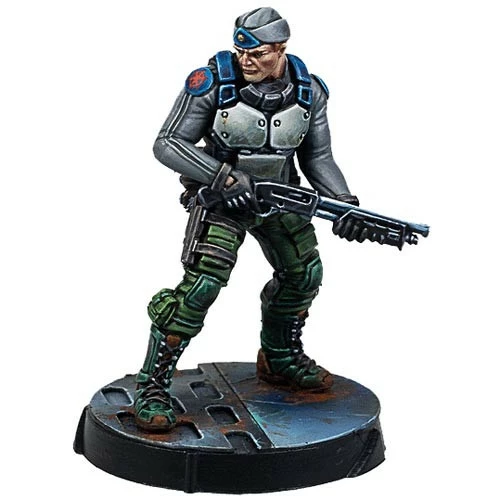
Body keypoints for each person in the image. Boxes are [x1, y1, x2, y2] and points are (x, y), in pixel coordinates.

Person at [134, 7, 360, 431]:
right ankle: (153, 384)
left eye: (257, 53)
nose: (246, 60)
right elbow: (168, 143)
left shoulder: (309, 90)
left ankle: (280, 358)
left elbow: (318, 157)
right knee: (199, 289)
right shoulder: (211, 84)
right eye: (241, 52)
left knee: (303, 276)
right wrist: (221, 176)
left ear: (280, 49)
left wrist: (344, 203)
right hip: (223, 202)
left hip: (280, 200)